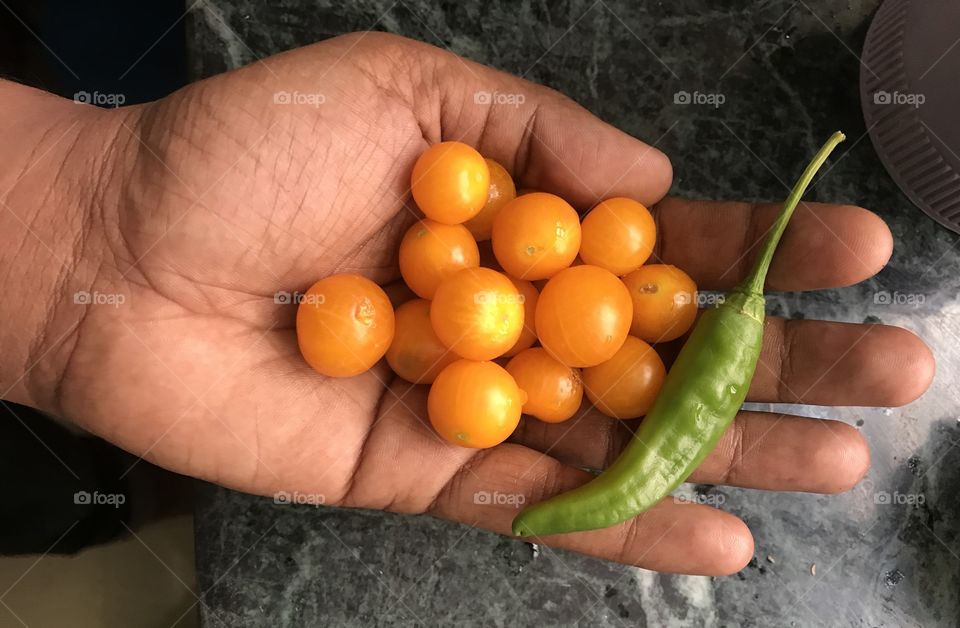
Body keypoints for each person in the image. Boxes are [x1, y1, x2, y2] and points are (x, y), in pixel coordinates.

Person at [0, 32, 934, 575]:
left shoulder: (566, 308)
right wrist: (85, 214)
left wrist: (76, 221)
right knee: (68, 514)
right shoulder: (474, 275)